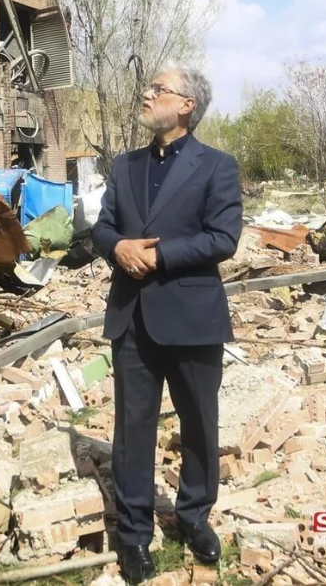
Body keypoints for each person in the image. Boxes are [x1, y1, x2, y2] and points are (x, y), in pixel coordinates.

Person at [91, 67, 243, 583]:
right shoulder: (125, 165)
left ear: (186, 105)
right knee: (132, 429)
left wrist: (158, 256)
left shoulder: (217, 165)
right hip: (132, 315)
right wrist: (117, 246)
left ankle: (193, 515)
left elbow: (224, 237)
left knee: (199, 422)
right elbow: (102, 227)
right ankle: (134, 535)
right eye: (149, 88)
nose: (146, 94)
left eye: (158, 89)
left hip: (192, 316)